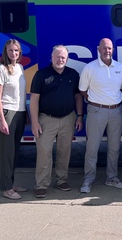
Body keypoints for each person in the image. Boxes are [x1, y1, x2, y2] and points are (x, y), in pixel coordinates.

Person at [30, 45, 83, 198]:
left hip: (68, 118)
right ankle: (41, 184)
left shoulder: (73, 74)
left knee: (64, 151)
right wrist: (35, 121)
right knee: (44, 152)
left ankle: (61, 180)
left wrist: (79, 115)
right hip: (46, 119)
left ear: (67, 59)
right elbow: (34, 99)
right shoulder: (41, 75)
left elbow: (78, 96)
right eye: (58, 57)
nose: (60, 59)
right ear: (51, 57)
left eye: (63, 57)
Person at [79, 38, 122, 193]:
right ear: (98, 49)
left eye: (110, 48)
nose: (107, 51)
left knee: (114, 147)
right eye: (104, 48)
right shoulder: (90, 68)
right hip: (96, 111)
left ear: (113, 50)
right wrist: (95, 101)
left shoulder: (120, 67)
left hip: (116, 111)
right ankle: (88, 180)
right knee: (92, 148)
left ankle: (111, 178)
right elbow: (82, 90)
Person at [0, 39, 28, 200]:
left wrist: (25, 112)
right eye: (10, 51)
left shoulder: (19, 68)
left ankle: (11, 183)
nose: (13, 53)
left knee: (14, 152)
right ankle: (6, 188)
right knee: (7, 153)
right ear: (5, 52)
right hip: (8, 113)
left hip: (20, 112)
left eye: (16, 51)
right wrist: (2, 120)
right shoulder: (0, 69)